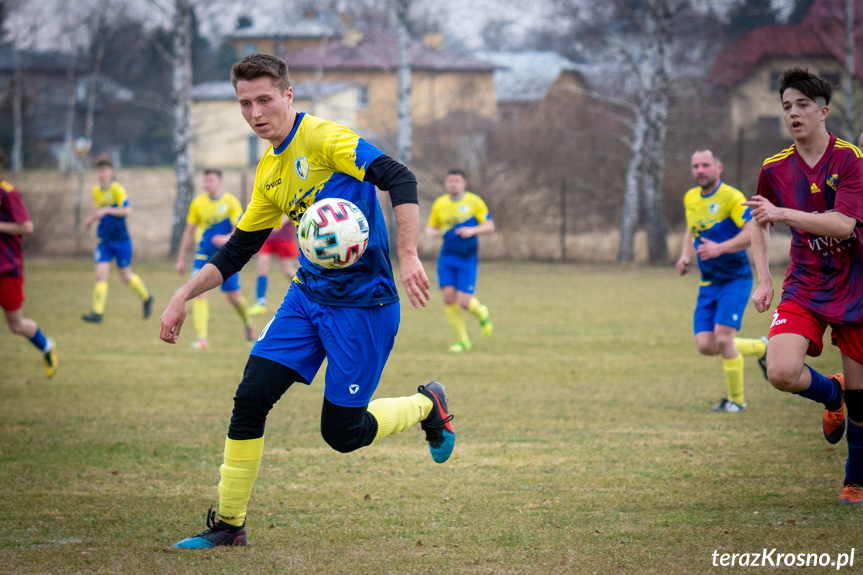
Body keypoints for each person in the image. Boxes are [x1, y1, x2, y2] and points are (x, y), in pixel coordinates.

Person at [159, 53, 454, 548]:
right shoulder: (270, 172)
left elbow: (398, 176)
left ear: (288, 96)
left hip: (365, 306)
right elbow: (238, 250)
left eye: (265, 100)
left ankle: (426, 405)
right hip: (307, 298)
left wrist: (408, 254)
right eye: (244, 103)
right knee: (250, 397)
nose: (255, 113)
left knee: (342, 434)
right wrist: (182, 293)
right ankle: (230, 525)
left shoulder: (322, 139)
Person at [744, 67, 863, 506]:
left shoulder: (850, 159)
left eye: (803, 105)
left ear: (823, 111)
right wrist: (763, 277)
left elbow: (843, 224)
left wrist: (783, 215)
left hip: (856, 285)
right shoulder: (774, 168)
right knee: (780, 372)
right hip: (807, 283)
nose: (794, 113)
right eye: (787, 106)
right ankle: (831, 393)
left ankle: (855, 482)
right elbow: (758, 220)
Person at [675, 149, 767, 413]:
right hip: (708, 282)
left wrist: (720, 248)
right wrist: (685, 256)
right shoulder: (691, 197)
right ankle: (762, 347)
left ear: (719, 167)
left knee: (725, 339)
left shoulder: (731, 197)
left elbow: (751, 232)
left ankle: (736, 400)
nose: (700, 170)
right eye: (695, 166)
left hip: (735, 279)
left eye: (705, 165)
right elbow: (690, 230)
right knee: (706, 344)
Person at [175, 169, 255, 349]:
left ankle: (248, 322)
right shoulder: (197, 203)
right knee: (199, 293)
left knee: (234, 298)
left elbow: (239, 229)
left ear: (219, 182)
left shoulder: (231, 202)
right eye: (205, 181)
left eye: (210, 180)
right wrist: (180, 259)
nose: (207, 184)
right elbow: (189, 231)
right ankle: (202, 339)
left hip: (226, 255)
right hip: (202, 255)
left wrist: (225, 238)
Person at [0, 150, 57, 377]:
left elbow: (27, 227)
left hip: (7, 269)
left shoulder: (8, 193)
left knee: (16, 325)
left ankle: (47, 347)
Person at [425, 169, 495, 352]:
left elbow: (489, 226)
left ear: (464, 183)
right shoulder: (440, 203)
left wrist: (472, 231)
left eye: (457, 181)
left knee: (464, 302)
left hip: (468, 258)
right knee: (448, 298)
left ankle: (481, 312)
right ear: (446, 184)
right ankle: (463, 341)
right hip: (447, 257)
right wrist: (431, 232)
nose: (453, 184)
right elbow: (431, 226)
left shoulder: (474, 202)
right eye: (450, 181)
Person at [82, 154, 154, 323]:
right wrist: (92, 218)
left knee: (126, 277)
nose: (101, 174)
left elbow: (126, 210)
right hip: (104, 242)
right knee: (100, 275)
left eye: (104, 170)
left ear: (111, 172)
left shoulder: (117, 189)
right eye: (99, 171)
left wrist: (106, 210)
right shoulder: (96, 191)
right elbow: (101, 212)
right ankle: (97, 313)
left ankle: (147, 298)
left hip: (121, 241)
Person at [246, 214, 299, 316]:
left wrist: (280, 223)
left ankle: (307, 292)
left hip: (283, 236)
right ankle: (260, 303)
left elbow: (290, 208)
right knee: (262, 266)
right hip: (268, 235)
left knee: (288, 270)